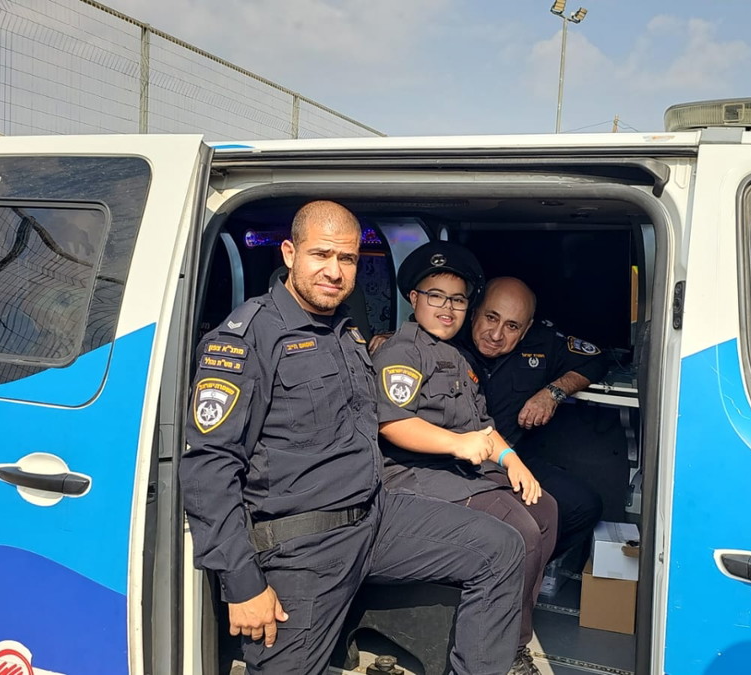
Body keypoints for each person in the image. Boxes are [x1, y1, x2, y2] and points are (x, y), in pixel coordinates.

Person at [180, 201, 525, 675]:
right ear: (289, 253)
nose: (334, 271)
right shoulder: (247, 339)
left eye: (347, 259)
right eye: (321, 254)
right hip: (305, 545)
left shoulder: (345, 332)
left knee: (501, 548)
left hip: (373, 518)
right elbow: (209, 468)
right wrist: (242, 584)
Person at [371, 242, 557, 675]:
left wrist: (511, 459)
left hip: (453, 475)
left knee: (544, 508)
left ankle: (512, 633)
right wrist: (457, 444)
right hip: (411, 479)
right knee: (521, 528)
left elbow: (484, 426)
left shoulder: (457, 358)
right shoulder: (402, 351)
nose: (447, 308)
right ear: (414, 298)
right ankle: (502, 653)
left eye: (457, 300)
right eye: (436, 296)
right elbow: (392, 423)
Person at [458, 277, 610, 569]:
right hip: (456, 460)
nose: (496, 334)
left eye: (512, 326)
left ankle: (520, 569)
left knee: (583, 506)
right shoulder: (451, 333)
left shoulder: (542, 342)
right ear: (474, 311)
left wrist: (553, 393)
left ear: (526, 329)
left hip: (511, 460)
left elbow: (595, 360)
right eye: (491, 318)